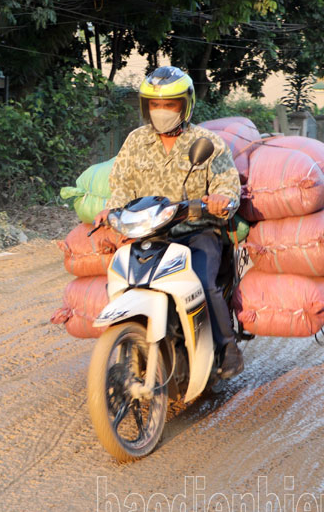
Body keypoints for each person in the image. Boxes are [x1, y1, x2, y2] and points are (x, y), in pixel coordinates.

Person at [94, 66, 245, 378]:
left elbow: (228, 189)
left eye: (169, 104)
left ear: (185, 105)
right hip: (149, 234)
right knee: (125, 280)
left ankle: (227, 346)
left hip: (195, 232)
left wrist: (219, 201)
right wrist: (111, 211)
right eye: (155, 104)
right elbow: (120, 186)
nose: (161, 111)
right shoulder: (135, 141)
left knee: (202, 280)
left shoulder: (207, 142)